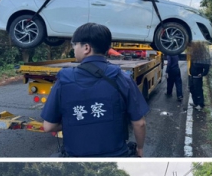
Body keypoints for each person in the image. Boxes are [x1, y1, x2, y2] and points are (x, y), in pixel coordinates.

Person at [41, 23, 149, 157]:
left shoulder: (64, 80)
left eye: (75, 45)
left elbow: (49, 126)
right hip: (116, 155)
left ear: (86, 47)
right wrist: (140, 148)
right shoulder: (121, 78)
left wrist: (76, 120)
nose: (73, 49)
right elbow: (140, 123)